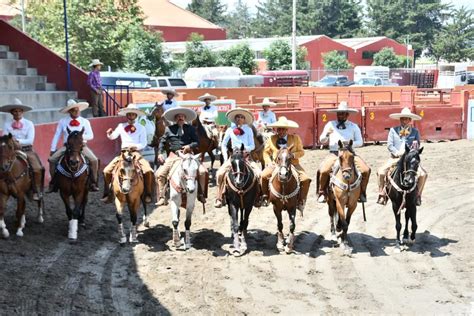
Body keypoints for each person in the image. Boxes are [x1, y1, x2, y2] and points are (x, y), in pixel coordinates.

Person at [317, 101, 371, 203]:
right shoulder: (330, 124)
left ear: (347, 114)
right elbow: (321, 140)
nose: (340, 115)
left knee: (365, 170)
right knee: (324, 170)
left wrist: (350, 145)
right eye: (338, 113)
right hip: (334, 153)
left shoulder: (353, 126)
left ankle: (362, 192)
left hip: (350, 154)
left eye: (342, 113)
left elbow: (360, 142)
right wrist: (327, 135)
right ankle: (322, 192)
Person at [101, 104, 154, 203]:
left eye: (133, 114)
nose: (131, 116)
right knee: (106, 171)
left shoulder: (141, 127)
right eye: (129, 114)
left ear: (136, 115)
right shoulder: (121, 126)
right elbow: (113, 136)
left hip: (136, 153)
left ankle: (147, 193)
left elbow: (144, 143)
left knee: (148, 170)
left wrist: (136, 147)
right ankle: (108, 194)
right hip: (123, 153)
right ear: (127, 115)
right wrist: (109, 134)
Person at [155, 107, 208, 206]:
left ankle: (201, 194)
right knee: (160, 174)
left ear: (185, 118)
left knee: (203, 171)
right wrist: (160, 153)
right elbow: (162, 142)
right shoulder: (169, 129)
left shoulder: (191, 128)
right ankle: (162, 196)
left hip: (188, 155)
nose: (180, 118)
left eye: (182, 116)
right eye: (178, 117)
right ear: (175, 119)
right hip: (174, 155)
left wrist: (189, 146)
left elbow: (197, 142)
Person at [376, 107, 427, 206]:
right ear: (400, 119)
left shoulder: (415, 132)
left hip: (409, 159)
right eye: (403, 118)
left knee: (423, 175)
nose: (404, 121)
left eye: (407, 119)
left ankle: (418, 195)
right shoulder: (393, 130)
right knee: (381, 172)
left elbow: (417, 146)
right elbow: (390, 145)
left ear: (410, 120)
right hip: (395, 158)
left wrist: (411, 153)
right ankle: (382, 193)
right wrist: (397, 153)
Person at [260, 116, 311, 212]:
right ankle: (266, 196)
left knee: (305, 179)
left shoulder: (295, 138)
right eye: (279, 129)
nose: (281, 131)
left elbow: (302, 152)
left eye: (283, 129)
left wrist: (293, 155)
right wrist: (269, 162)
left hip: (293, 164)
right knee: (263, 175)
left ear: (287, 130)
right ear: (277, 129)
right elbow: (266, 152)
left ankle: (301, 200)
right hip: (276, 164)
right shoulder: (271, 138)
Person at [47, 99, 99, 192]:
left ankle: (93, 182)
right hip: (67, 147)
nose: (76, 112)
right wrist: (52, 148)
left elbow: (91, 135)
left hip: (81, 146)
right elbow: (57, 135)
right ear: (69, 111)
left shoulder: (85, 121)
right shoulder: (63, 121)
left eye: (77, 109)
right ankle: (53, 182)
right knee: (52, 160)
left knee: (94, 160)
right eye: (73, 110)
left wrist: (79, 137)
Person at [214, 108, 262, 208]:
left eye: (241, 117)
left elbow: (252, 145)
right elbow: (223, 144)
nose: (239, 119)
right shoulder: (229, 130)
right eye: (237, 117)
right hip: (233, 157)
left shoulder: (248, 130)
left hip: (246, 157)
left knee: (259, 174)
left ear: (244, 119)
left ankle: (258, 196)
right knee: (219, 173)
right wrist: (226, 156)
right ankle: (219, 197)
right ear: (235, 119)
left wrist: (246, 150)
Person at [0, 98, 44, 200]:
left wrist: (17, 141)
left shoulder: (29, 124)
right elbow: (5, 139)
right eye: (15, 111)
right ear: (11, 112)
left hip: (26, 150)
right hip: (11, 150)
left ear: (22, 112)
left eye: (19, 111)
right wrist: (12, 144)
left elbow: (30, 140)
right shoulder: (7, 124)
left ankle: (36, 190)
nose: (17, 113)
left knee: (37, 168)